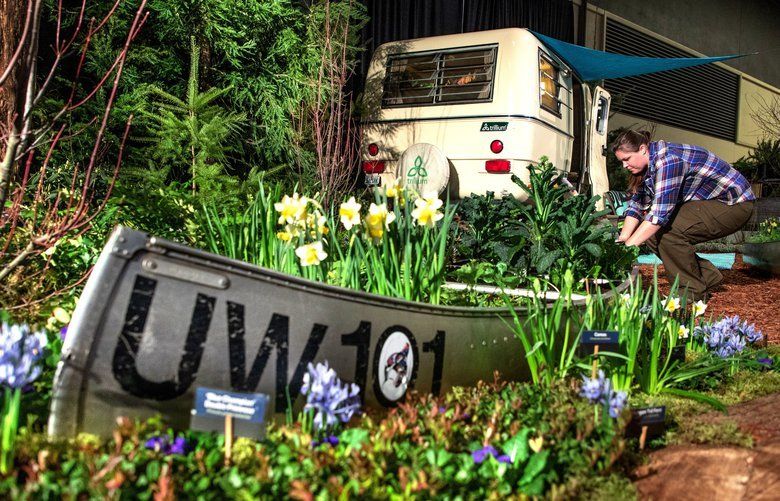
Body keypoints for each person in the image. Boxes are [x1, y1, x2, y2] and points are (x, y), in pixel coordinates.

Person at [613, 130, 755, 301]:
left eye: (626, 159)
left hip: (734, 205)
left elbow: (658, 216)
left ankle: (692, 291)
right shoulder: (650, 165)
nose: (624, 166)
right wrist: (623, 240)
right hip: (711, 203)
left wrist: (626, 250)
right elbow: (637, 204)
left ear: (643, 149)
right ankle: (706, 275)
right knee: (651, 236)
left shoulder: (669, 162)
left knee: (666, 232)